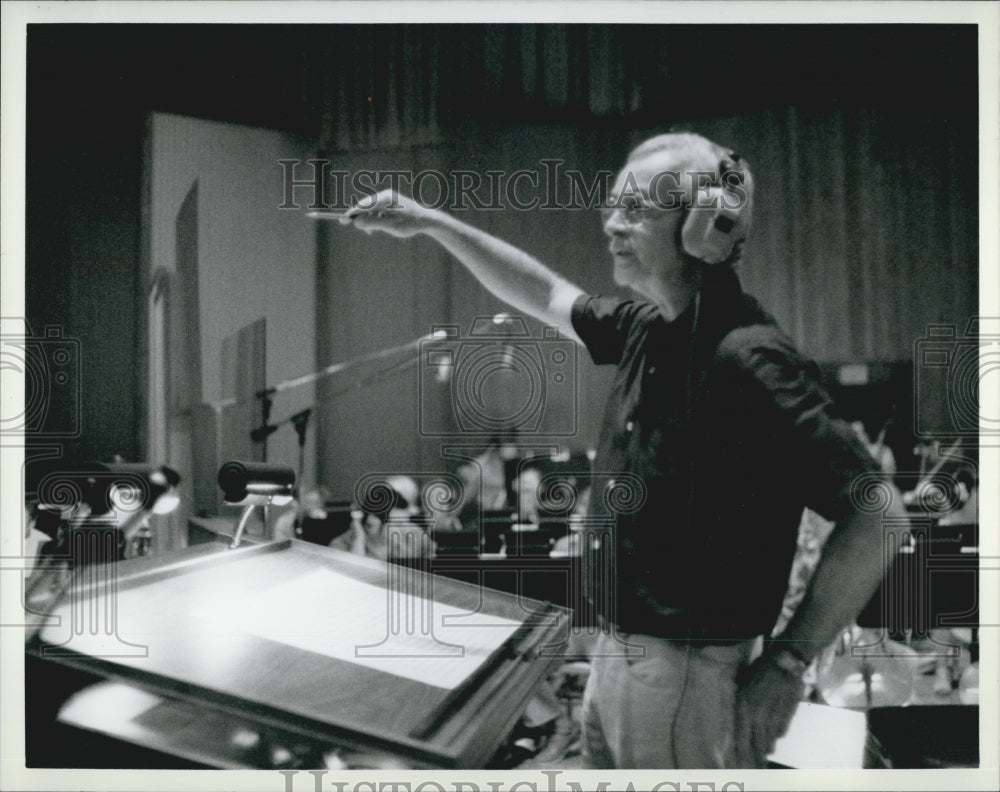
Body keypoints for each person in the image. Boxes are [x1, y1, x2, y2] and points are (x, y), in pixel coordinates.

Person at [342, 131, 905, 768]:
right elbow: (545, 292)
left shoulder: (748, 357)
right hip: (621, 657)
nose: (612, 224)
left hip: (683, 671)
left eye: (636, 210)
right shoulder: (648, 328)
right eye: (613, 205)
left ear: (704, 227)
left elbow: (879, 512)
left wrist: (790, 662)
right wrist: (430, 223)